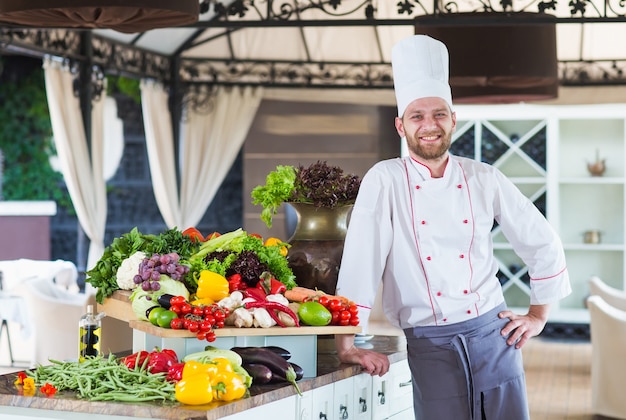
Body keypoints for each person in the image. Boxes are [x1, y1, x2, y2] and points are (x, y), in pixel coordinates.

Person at [334, 34, 571, 420]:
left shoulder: (483, 176)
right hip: (430, 345)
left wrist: (538, 315)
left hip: (495, 336)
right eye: (417, 116)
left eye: (439, 114)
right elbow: (361, 262)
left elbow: (542, 241)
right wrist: (347, 344)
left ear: (453, 120)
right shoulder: (385, 179)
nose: (430, 125)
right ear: (400, 126)